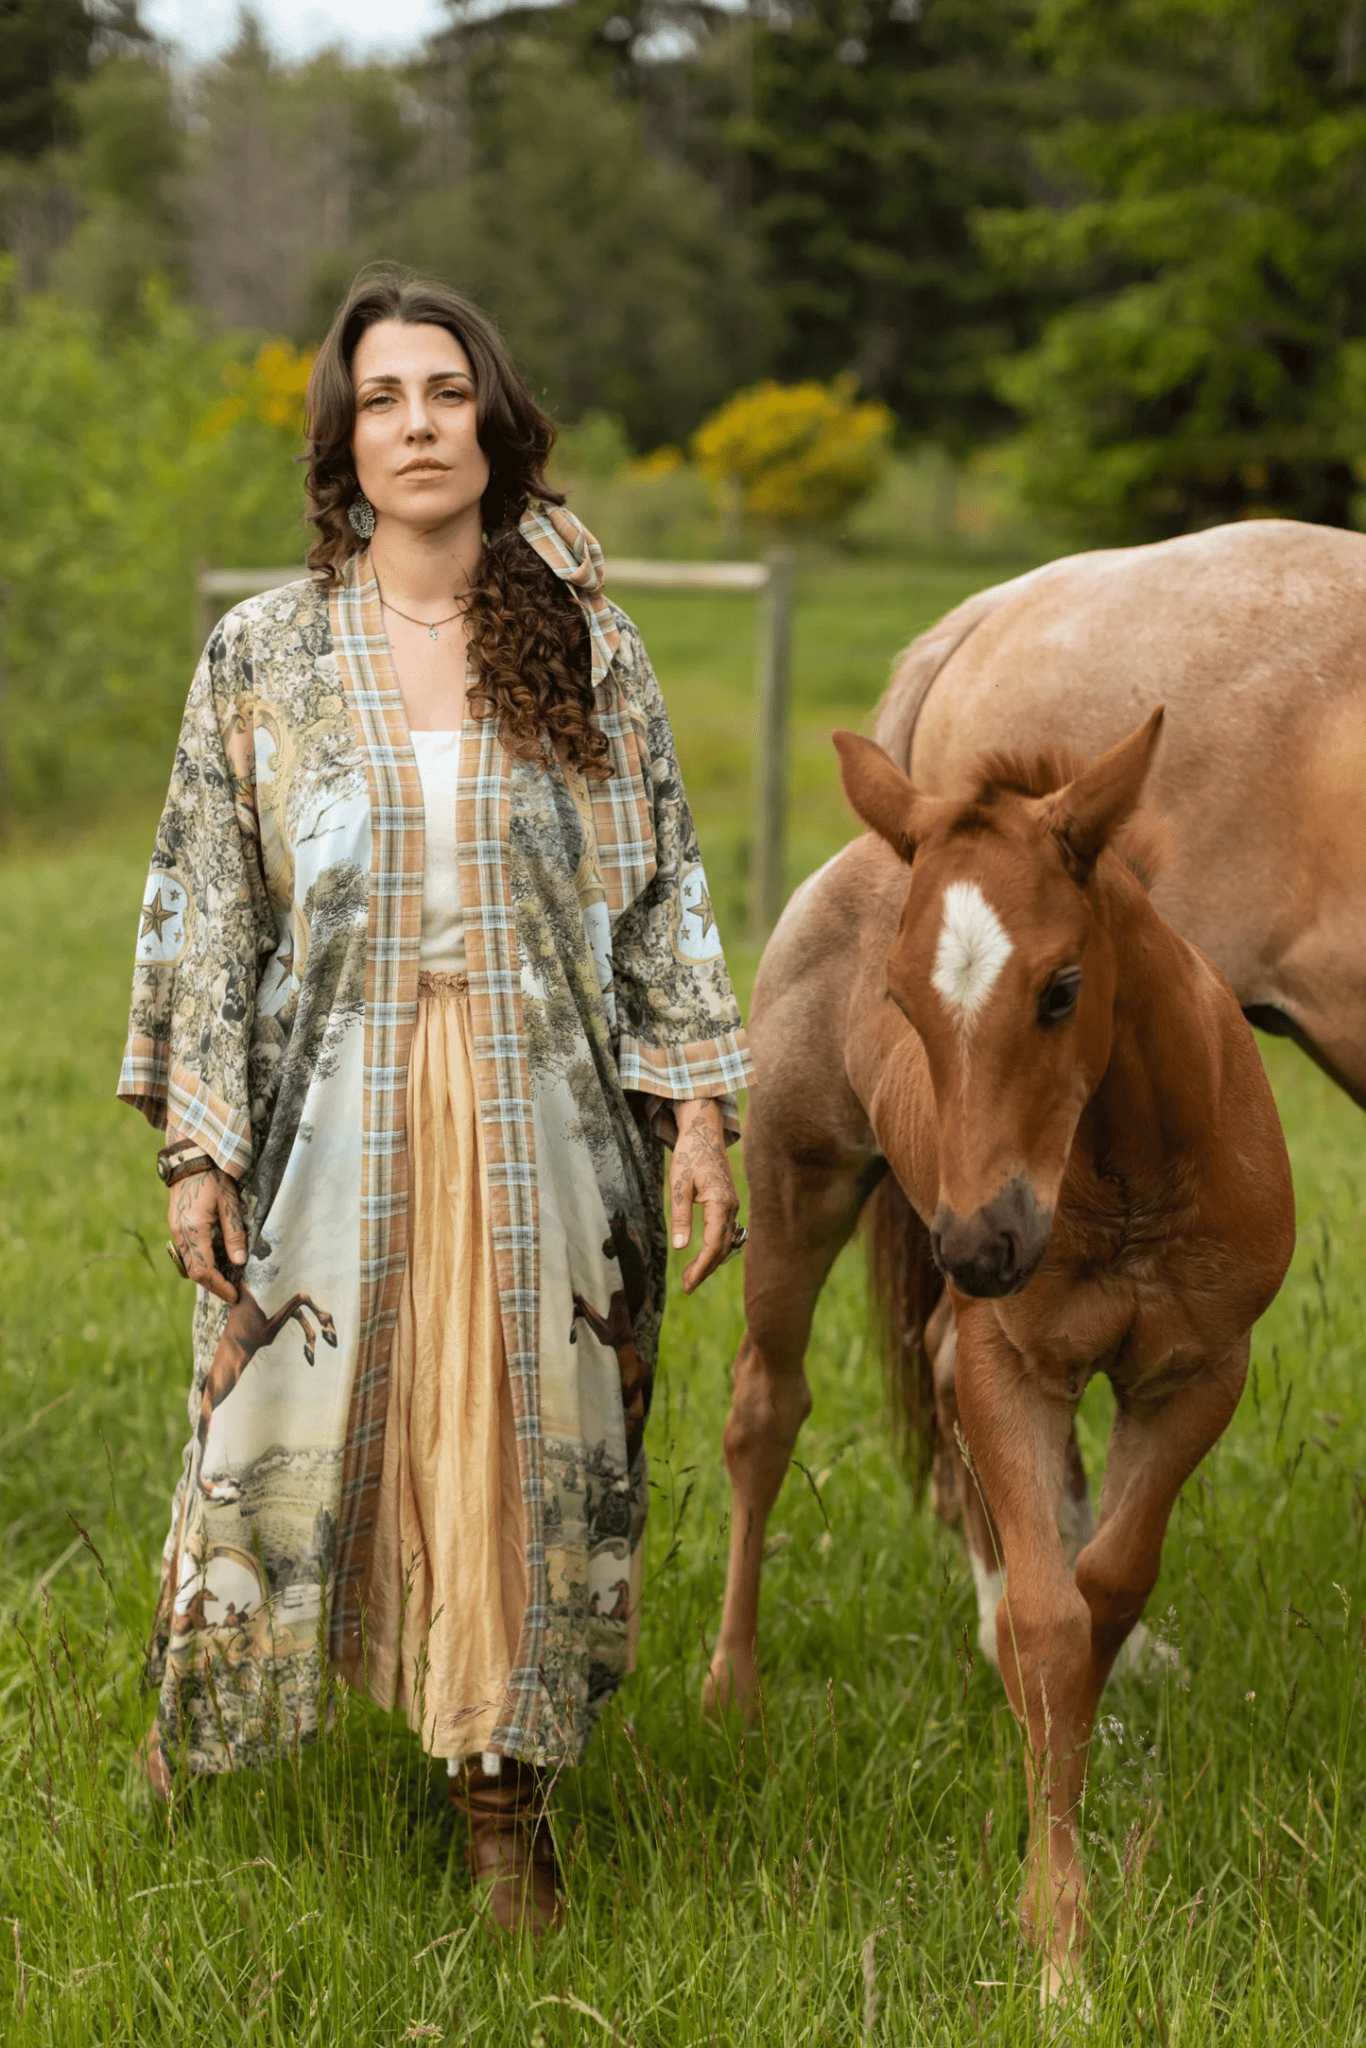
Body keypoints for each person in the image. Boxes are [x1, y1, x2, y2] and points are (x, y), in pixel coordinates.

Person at [119, 266, 751, 1934]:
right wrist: (199, 1150)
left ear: (494, 425)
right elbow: (208, 910)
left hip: (543, 1121)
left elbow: (660, 891)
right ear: (345, 439)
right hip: (329, 1112)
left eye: (447, 393)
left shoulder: (585, 646)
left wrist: (696, 1115)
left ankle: (500, 1804)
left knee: (517, 1441)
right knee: (274, 1423)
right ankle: (209, 1702)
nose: (418, 425)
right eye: (385, 398)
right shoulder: (262, 655)